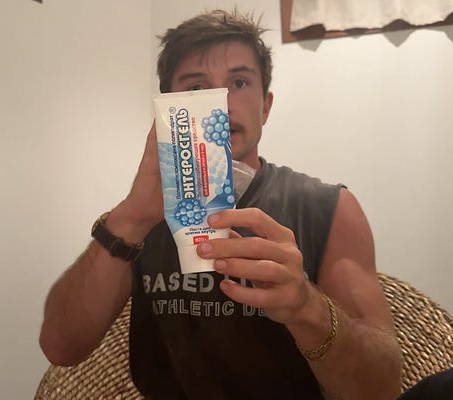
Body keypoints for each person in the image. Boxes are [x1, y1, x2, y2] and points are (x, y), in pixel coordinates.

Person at [39, 9, 402, 400]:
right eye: (197, 87)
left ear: (265, 106)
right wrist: (130, 219)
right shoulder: (141, 218)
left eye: (239, 82)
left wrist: (305, 307)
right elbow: (61, 347)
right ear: (166, 108)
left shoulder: (328, 208)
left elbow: (381, 388)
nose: (220, 104)